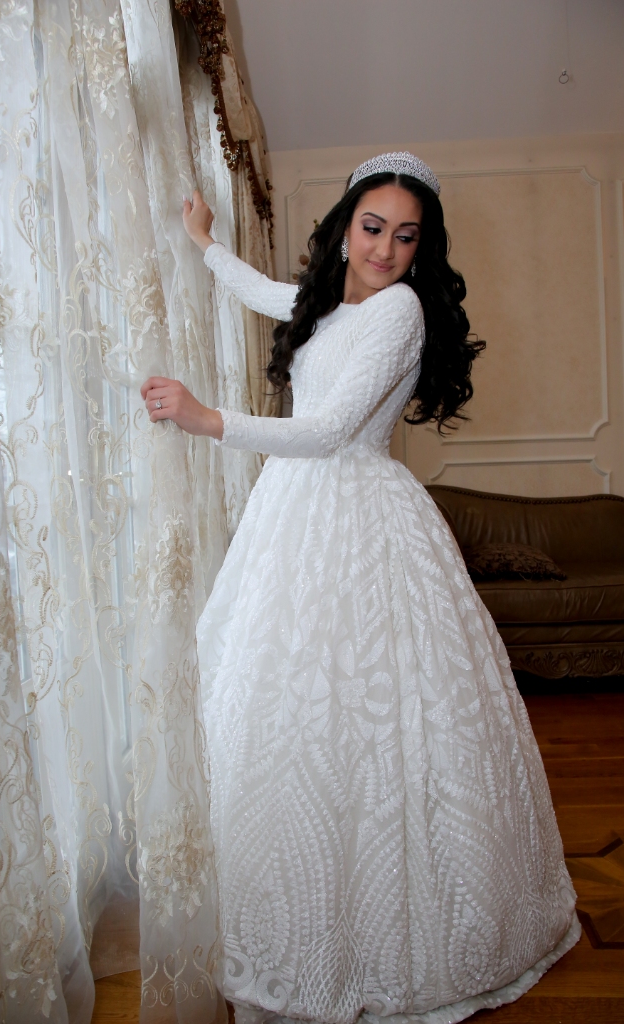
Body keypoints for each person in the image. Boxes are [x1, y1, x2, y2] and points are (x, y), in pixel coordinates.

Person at [140, 153, 579, 1024]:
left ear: (420, 249)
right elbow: (270, 293)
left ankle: (385, 935)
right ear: (345, 228)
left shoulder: (401, 311)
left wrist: (204, 419)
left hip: (361, 514)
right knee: (288, 707)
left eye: (404, 237)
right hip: (293, 517)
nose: (384, 248)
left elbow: (331, 429)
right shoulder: (331, 305)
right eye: (373, 227)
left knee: (374, 714)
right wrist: (203, 244)